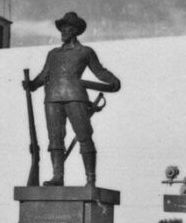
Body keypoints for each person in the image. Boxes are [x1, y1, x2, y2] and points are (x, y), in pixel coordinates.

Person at [23, 11, 121, 187]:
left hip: (76, 97)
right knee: (55, 138)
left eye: (66, 28)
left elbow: (100, 71)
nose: (62, 32)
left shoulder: (85, 52)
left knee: (84, 136)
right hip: (52, 98)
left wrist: (113, 81)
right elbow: (44, 74)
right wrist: (32, 84)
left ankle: (90, 180)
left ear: (74, 31)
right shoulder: (53, 54)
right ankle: (57, 177)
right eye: (61, 28)